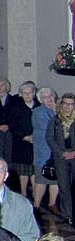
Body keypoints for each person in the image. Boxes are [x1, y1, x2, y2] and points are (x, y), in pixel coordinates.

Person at [48, 92, 75, 224]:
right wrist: (61, 153)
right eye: (65, 103)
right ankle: (67, 215)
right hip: (61, 157)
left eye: (70, 104)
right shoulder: (55, 120)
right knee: (64, 186)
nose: (67, 107)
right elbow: (50, 139)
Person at [32, 86, 59, 212]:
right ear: (40, 100)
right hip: (43, 150)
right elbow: (50, 126)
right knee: (42, 178)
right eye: (45, 97)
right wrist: (55, 112)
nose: (49, 99)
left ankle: (52, 204)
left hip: (56, 151)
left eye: (50, 96)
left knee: (56, 179)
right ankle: (36, 205)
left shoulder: (58, 110)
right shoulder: (38, 112)